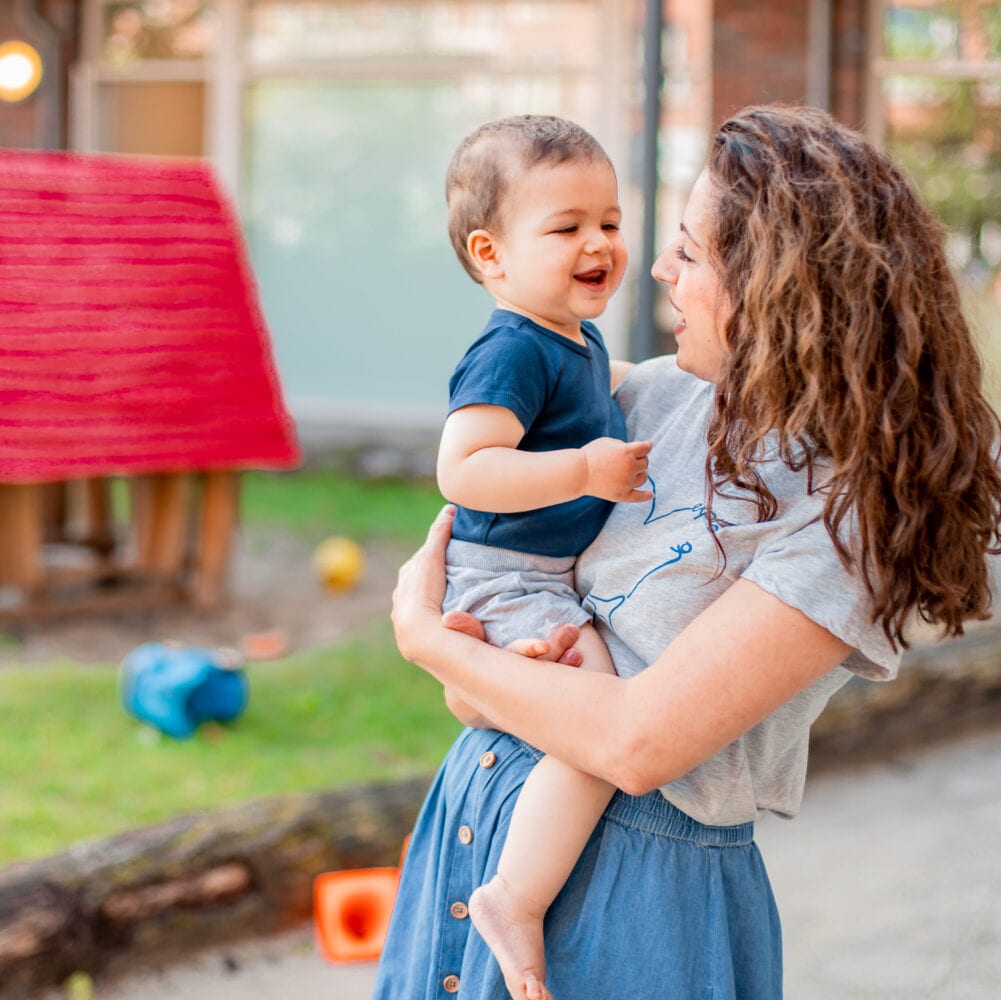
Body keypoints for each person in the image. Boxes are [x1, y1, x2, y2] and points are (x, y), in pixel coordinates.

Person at [375, 104, 1001, 1000]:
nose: (658, 270)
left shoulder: (847, 522)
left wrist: (425, 639)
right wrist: (478, 663)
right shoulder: (659, 399)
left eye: (691, 250)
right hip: (478, 817)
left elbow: (637, 744)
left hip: (636, 898)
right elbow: (493, 623)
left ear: (779, 284)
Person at [435, 114, 653, 1000]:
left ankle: (491, 681)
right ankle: (516, 897)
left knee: (562, 688)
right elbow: (465, 467)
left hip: (538, 579)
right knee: (600, 715)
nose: (598, 243)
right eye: (566, 229)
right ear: (491, 254)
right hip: (507, 574)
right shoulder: (510, 347)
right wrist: (583, 469)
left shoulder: (571, 334)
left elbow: (601, 392)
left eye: (609, 222)